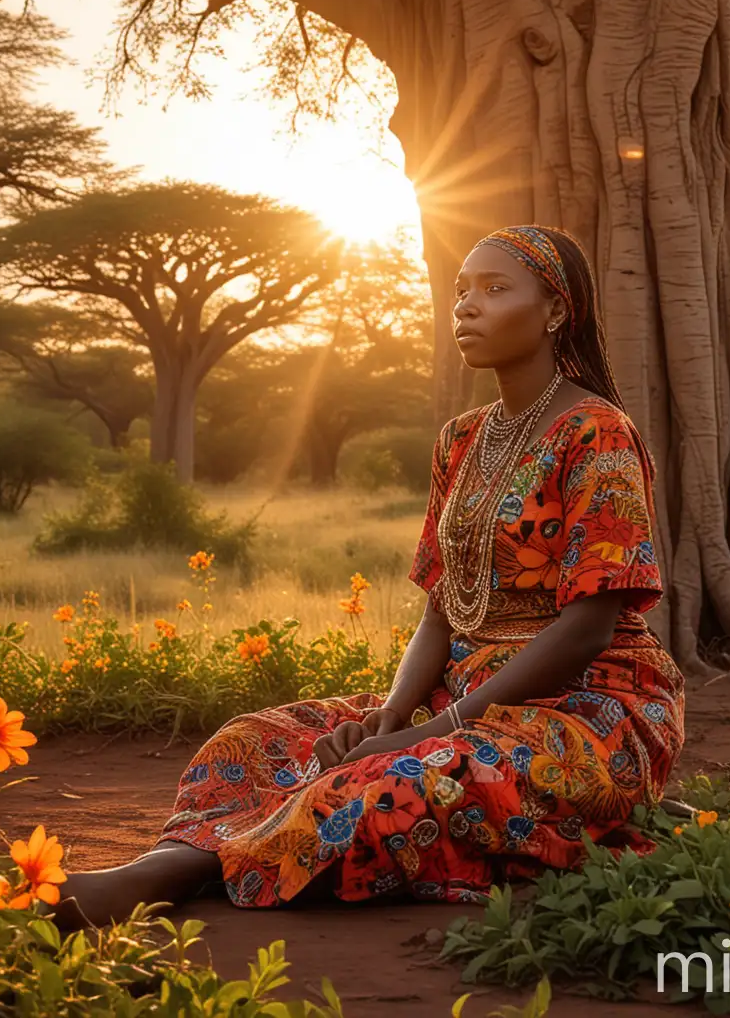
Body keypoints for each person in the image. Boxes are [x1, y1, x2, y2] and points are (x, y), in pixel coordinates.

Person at [55, 224, 685, 928]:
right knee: (253, 741)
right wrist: (389, 715)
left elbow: (587, 628)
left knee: (393, 785)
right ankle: (217, 854)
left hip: (587, 709)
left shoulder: (597, 432)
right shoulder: (462, 440)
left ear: (557, 312)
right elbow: (441, 611)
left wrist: (428, 733)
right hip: (464, 693)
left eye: (495, 289)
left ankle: (163, 875)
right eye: (461, 292)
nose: (467, 308)